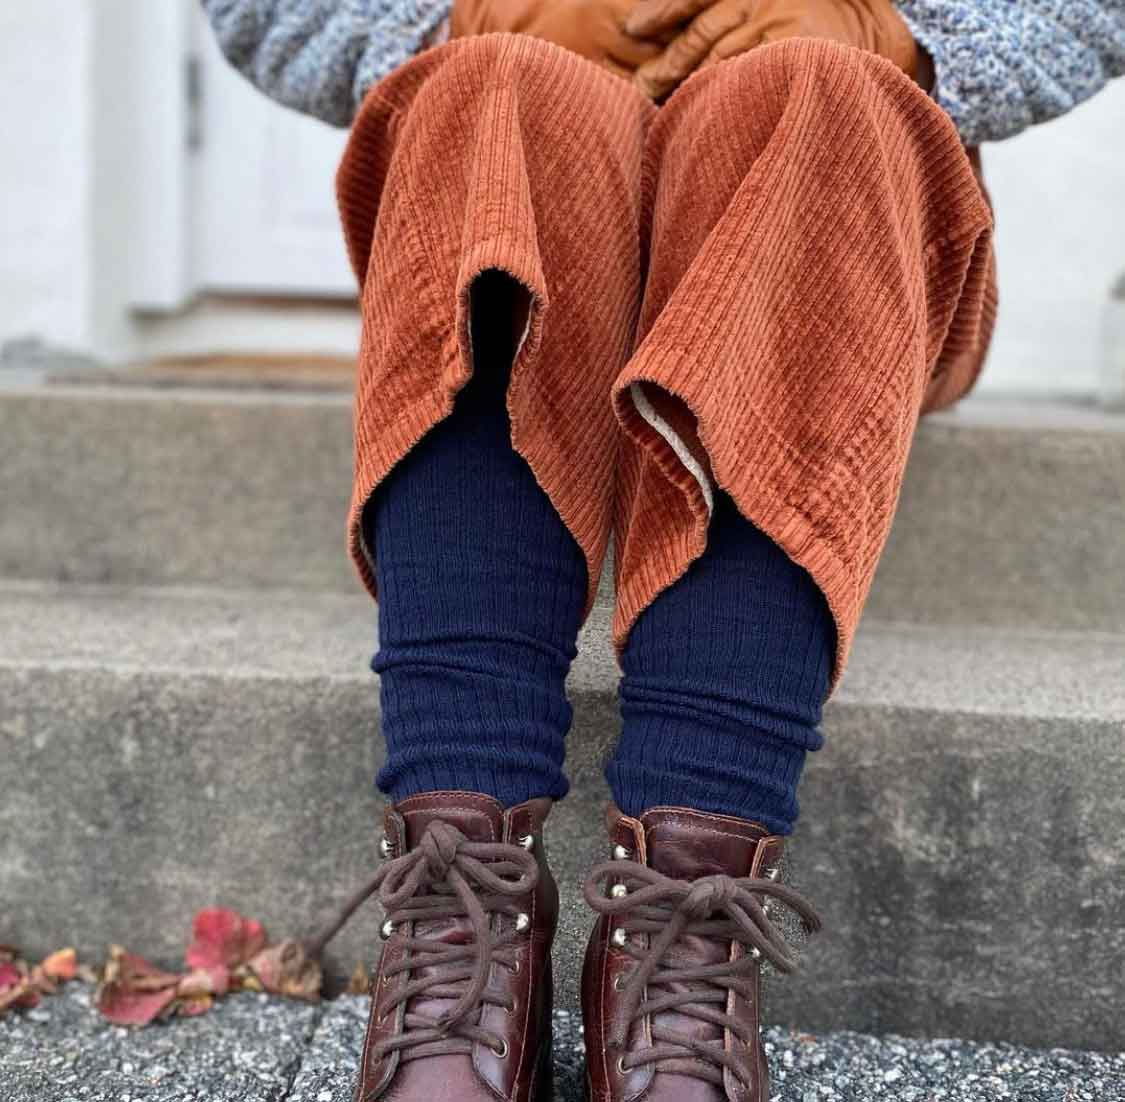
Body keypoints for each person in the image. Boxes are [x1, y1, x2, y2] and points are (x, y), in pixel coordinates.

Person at [201, 2, 1125, 1099]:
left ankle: (685, 931)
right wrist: (480, 13)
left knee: (820, 96)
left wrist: (900, 31)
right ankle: (464, 910)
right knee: (494, 84)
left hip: (844, 224)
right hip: (510, 206)